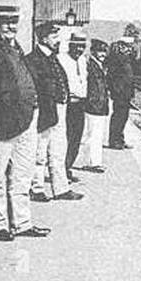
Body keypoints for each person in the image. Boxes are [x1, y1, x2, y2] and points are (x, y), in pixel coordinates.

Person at [0, 4, 50, 240]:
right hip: (2, 124)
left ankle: (22, 223)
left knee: (22, 175)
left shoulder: (16, 48)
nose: (11, 26)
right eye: (6, 22)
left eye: (14, 21)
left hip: (25, 120)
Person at [26, 21, 84, 201]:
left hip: (60, 110)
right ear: (43, 38)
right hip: (45, 111)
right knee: (40, 152)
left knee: (59, 150)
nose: (57, 40)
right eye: (53, 37)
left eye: (57, 36)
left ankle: (61, 189)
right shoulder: (33, 60)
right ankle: (36, 189)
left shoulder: (53, 58)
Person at [77, 38, 110, 172]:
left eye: (104, 52)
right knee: (93, 136)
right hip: (94, 106)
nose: (102, 54)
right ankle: (92, 163)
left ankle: (95, 161)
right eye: (99, 51)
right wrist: (91, 101)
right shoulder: (90, 65)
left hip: (100, 106)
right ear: (93, 52)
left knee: (97, 135)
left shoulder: (98, 65)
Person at [60, 32, 88, 179]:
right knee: (66, 138)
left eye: (82, 47)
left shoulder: (83, 60)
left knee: (76, 138)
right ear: (71, 45)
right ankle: (62, 170)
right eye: (77, 46)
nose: (79, 50)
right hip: (68, 104)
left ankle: (68, 167)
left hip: (80, 105)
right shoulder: (62, 59)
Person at [106, 40, 135, 150]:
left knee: (123, 117)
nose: (129, 49)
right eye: (126, 48)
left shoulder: (125, 59)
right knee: (119, 117)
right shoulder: (116, 60)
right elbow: (112, 77)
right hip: (120, 94)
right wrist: (116, 90)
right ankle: (114, 141)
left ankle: (120, 139)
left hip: (125, 93)